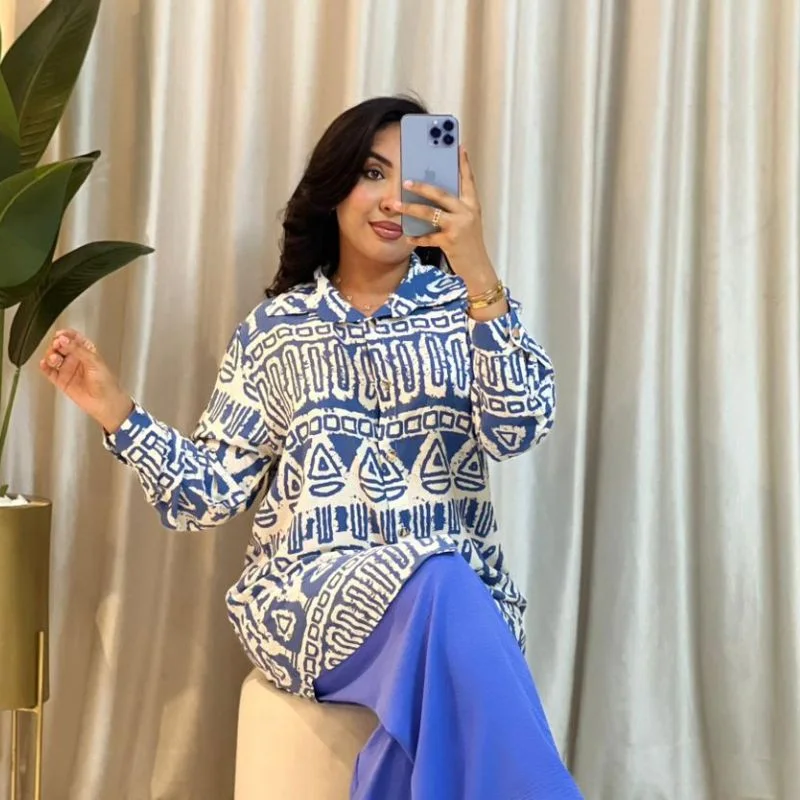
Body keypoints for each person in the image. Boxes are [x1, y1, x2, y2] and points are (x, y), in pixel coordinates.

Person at [41, 95, 583, 799]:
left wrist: (476, 268)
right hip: (311, 601)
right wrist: (116, 411)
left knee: (444, 592)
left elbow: (520, 426)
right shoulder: (276, 332)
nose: (391, 199)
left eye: (411, 179)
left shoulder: (470, 313)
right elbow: (209, 496)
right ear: (333, 188)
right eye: (371, 173)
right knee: (443, 578)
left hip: (453, 602)